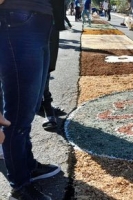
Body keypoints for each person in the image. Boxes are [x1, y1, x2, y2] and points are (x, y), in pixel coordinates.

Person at [0, 0, 62, 198]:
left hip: (39, 22)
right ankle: (20, 184)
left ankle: (27, 165)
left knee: (29, 107)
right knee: (17, 116)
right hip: (19, 22)